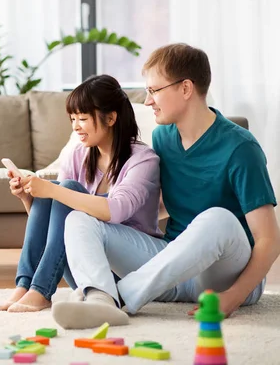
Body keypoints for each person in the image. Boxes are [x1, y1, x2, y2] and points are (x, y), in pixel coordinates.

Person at [54, 43, 280, 330]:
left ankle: (121, 297)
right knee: (79, 219)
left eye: (154, 90)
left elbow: (270, 240)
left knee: (217, 217)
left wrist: (234, 296)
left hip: (225, 275)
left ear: (186, 88)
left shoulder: (240, 148)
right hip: (173, 269)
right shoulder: (162, 138)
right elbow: (157, 206)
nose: (148, 101)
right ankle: (101, 300)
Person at [0, 74, 161, 314]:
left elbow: (115, 211)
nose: (75, 126)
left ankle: (42, 290)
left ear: (111, 118)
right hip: (88, 271)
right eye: (72, 118)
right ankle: (26, 284)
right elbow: (52, 223)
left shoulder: (143, 160)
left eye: (82, 118)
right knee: (56, 191)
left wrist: (52, 189)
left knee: (65, 189)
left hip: (128, 272)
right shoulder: (78, 155)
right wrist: (29, 196)